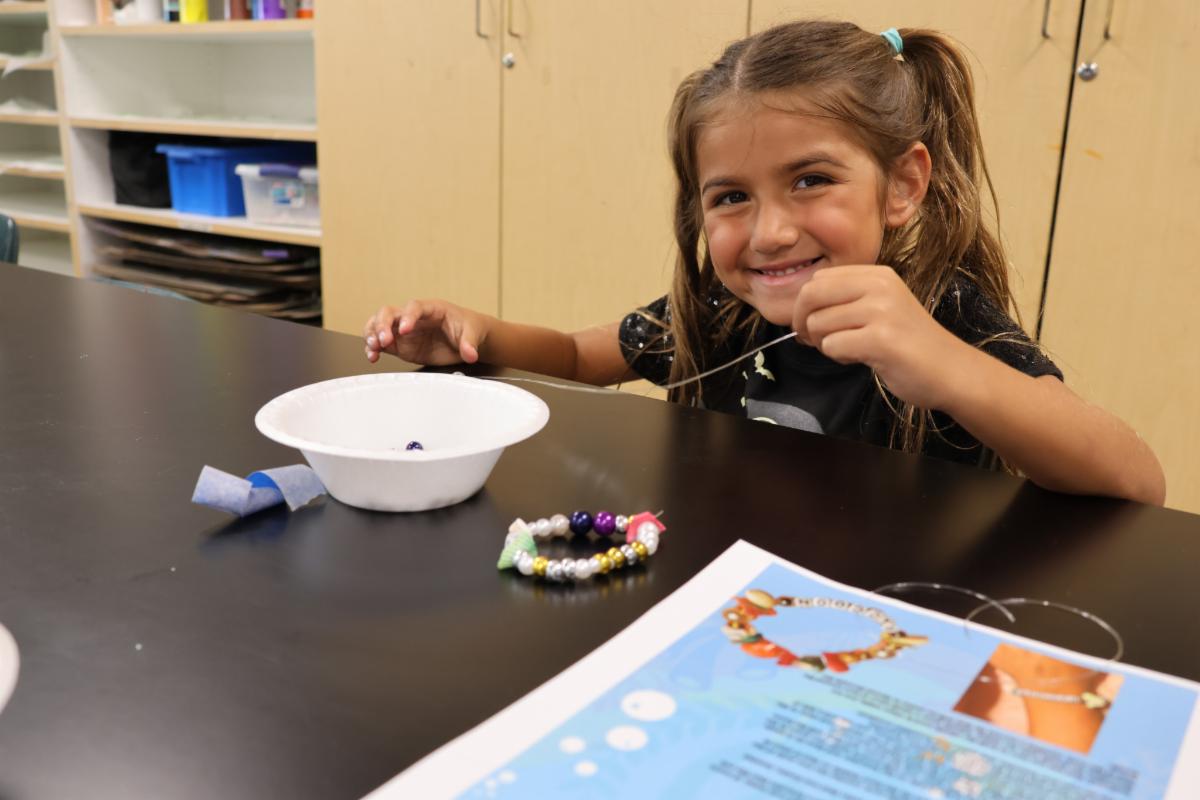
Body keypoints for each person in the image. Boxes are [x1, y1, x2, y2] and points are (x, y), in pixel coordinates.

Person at [363, 20, 1165, 505]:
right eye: (731, 197)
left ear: (902, 185)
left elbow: (1136, 482)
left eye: (810, 180)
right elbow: (578, 358)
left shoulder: (940, 312)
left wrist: (944, 365)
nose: (771, 233)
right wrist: (473, 337)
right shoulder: (722, 310)